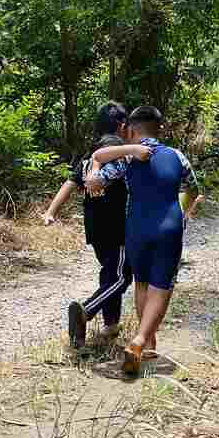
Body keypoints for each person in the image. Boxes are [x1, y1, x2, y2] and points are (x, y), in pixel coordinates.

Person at [86, 105, 203, 378]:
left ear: (131, 129)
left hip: (136, 228)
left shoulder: (128, 157)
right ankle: (140, 341)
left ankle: (148, 343)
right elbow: (193, 189)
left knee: (141, 283)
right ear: (159, 128)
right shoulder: (177, 155)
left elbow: (97, 179)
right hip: (169, 228)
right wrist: (184, 213)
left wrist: (98, 173)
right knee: (161, 287)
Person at [44, 102, 134, 349]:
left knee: (110, 272)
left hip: (94, 227)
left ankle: (112, 324)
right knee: (122, 277)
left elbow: (70, 183)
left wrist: (51, 212)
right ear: (122, 126)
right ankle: (86, 310)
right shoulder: (119, 151)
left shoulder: (90, 153)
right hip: (118, 227)